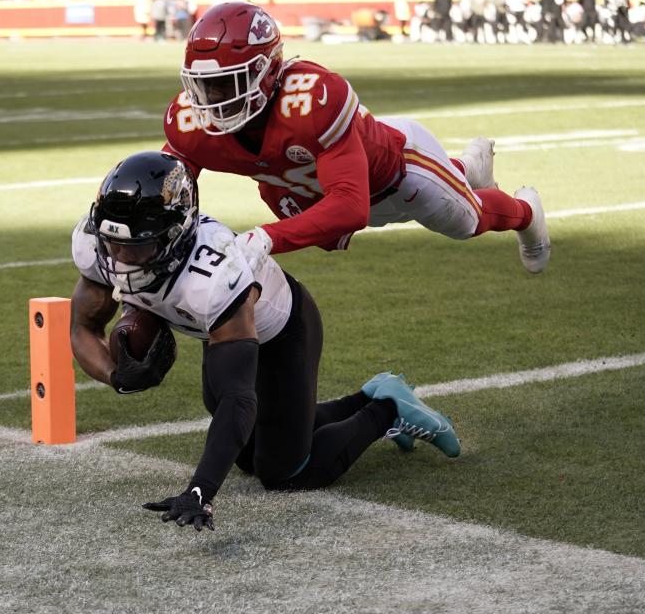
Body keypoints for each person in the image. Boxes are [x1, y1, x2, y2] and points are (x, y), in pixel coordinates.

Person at [69, 151, 461, 532]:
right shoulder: (100, 246)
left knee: (284, 471)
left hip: (281, 329)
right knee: (247, 452)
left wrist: (199, 491)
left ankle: (387, 411)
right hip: (214, 326)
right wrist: (115, 376)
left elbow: (239, 397)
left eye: (137, 246)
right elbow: (83, 328)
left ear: (175, 235)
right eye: (112, 243)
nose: (119, 257)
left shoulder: (215, 276)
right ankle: (370, 395)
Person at [162, 2, 550, 281]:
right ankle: (466, 168)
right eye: (203, 86)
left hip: (399, 171)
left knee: (468, 222)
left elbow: (350, 207)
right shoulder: (191, 122)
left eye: (225, 83)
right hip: (320, 190)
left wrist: (266, 237)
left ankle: (526, 211)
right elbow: (165, 182)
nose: (213, 100)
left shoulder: (311, 100)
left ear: (267, 71)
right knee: (297, 208)